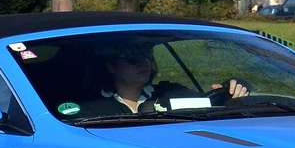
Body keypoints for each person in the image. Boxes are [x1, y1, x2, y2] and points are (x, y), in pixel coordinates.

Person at [90, 39, 249, 116]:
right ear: (112, 66)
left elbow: (210, 102)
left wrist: (233, 87)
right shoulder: (90, 105)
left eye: (147, 55)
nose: (144, 62)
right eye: (133, 58)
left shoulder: (170, 92)